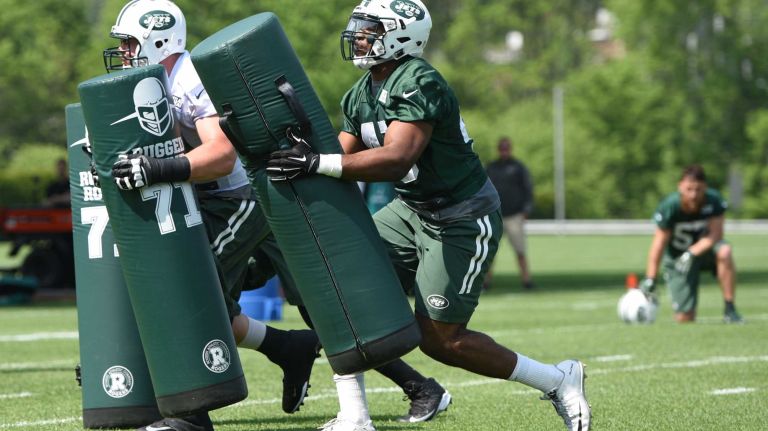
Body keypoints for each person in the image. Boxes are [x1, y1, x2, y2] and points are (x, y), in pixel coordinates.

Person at [266, 1, 591, 430]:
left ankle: (555, 379)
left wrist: (319, 164)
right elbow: (340, 157)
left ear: (402, 35)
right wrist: (302, 157)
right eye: (359, 28)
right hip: (409, 210)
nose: (359, 37)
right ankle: (355, 414)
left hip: (459, 217)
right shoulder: (360, 92)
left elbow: (397, 158)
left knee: (441, 340)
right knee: (333, 284)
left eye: (370, 29)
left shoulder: (419, 80)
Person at [103, 1, 319, 430]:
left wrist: (157, 168)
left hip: (237, 199)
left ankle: (191, 417)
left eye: (130, 42)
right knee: (198, 300)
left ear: (158, 38)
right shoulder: (149, 80)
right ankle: (287, 348)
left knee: (184, 293)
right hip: (201, 201)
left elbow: (220, 156)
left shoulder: (188, 79)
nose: (124, 52)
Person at [639, 164, 743, 324]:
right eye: (689, 189)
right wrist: (650, 277)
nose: (694, 195)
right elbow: (658, 244)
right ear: (680, 187)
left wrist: (692, 252)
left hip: (705, 252)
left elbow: (716, 235)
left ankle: (730, 309)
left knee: (725, 251)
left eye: (698, 189)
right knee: (685, 318)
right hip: (677, 259)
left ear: (705, 188)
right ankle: (685, 308)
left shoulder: (713, 200)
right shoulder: (670, 206)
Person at [485, 137, 534, 290]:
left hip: (514, 216)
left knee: (520, 251)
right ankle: (485, 283)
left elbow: (528, 189)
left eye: (507, 148)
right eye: (502, 148)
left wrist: (526, 210)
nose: (504, 151)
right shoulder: (491, 168)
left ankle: (527, 281)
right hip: (495, 215)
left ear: (510, 149)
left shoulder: (518, 167)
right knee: (489, 252)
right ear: (498, 149)